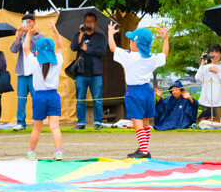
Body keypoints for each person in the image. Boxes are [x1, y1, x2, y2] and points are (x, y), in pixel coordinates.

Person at [108, 23, 169, 159]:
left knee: (137, 122)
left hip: (134, 92)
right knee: (146, 122)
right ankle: (143, 148)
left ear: (135, 44)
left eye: (131, 40)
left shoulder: (128, 56)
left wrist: (110, 34)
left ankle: (144, 151)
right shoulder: (151, 58)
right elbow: (165, 54)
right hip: (147, 91)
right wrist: (165, 39)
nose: (129, 43)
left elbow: (112, 48)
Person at [22, 22, 64, 160]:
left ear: (37, 51)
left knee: (36, 127)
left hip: (39, 97)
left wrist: (29, 34)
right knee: (55, 127)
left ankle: (31, 152)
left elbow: (26, 49)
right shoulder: (57, 61)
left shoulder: (34, 62)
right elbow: (61, 47)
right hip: (53, 96)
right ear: (51, 51)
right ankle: (58, 151)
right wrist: (56, 32)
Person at [70, 12, 106, 129]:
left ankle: (98, 122)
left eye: (91, 21)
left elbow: (102, 51)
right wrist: (81, 34)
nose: (88, 23)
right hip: (81, 72)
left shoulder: (100, 37)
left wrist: (87, 49)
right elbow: (73, 47)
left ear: (95, 23)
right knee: (80, 99)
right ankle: (80, 123)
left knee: (97, 99)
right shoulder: (79, 35)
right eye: (86, 21)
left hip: (96, 73)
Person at [9, 13, 41, 130]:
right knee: (21, 99)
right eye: (25, 22)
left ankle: (37, 122)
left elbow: (35, 47)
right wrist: (18, 36)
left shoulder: (39, 36)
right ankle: (21, 123)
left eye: (29, 22)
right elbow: (13, 49)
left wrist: (29, 35)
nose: (27, 24)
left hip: (34, 72)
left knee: (36, 98)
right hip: (22, 72)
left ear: (34, 22)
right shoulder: (21, 36)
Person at [195, 44, 221, 122]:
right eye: (212, 52)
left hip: (219, 101)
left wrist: (217, 71)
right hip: (205, 100)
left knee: (218, 124)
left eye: (216, 52)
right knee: (204, 124)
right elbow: (198, 79)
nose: (214, 54)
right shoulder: (205, 67)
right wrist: (203, 62)